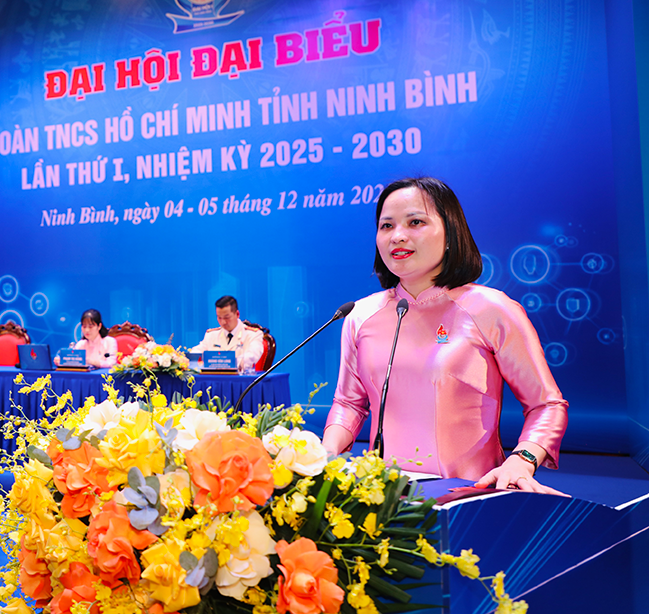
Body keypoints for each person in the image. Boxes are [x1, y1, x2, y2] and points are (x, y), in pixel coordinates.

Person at [321, 177, 569, 494]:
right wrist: (324, 454)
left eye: (415, 222)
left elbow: (547, 405)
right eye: (386, 226)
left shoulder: (491, 309)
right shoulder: (359, 315)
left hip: (471, 496)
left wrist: (522, 460)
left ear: (450, 232)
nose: (397, 236)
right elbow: (349, 404)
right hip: (382, 499)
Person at [189, 295, 264, 373]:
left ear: (237, 314)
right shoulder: (211, 335)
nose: (223, 322)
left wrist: (227, 363)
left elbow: (252, 355)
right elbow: (197, 352)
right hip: (214, 378)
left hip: (240, 378)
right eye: (219, 318)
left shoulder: (253, 334)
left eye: (227, 317)